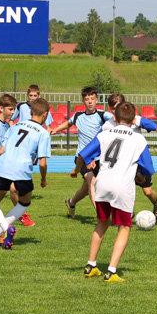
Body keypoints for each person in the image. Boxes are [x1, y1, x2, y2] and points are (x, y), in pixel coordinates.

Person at [71, 101, 155, 282]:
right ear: (134, 120)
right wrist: (141, 176)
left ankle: (90, 266)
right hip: (122, 187)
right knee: (124, 228)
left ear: (114, 118)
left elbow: (84, 153)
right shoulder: (138, 139)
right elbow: (148, 167)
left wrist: (77, 169)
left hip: (101, 183)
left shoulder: (104, 134)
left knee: (102, 222)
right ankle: (111, 271)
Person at [101, 93, 157, 223]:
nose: (116, 111)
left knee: (147, 192)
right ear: (110, 109)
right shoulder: (107, 125)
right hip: (123, 163)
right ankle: (128, 212)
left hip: (140, 162)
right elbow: (98, 141)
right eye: (114, 108)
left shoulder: (135, 120)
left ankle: (156, 204)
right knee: (120, 188)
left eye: (119, 107)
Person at [0, 98, 51, 249]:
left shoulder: (14, 126)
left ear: (31, 111)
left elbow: (1, 150)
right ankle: (0, 232)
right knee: (24, 202)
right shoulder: (43, 133)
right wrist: (43, 179)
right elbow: (42, 162)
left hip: (4, 165)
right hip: (23, 169)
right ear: (45, 114)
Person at [49, 86, 114, 218]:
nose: (90, 101)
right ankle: (101, 215)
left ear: (97, 100)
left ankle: (71, 202)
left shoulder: (103, 115)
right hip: (82, 157)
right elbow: (68, 123)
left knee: (86, 190)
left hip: (99, 158)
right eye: (87, 99)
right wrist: (55, 130)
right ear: (83, 101)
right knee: (92, 181)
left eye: (92, 99)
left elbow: (118, 117)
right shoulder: (78, 115)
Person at [0, 93, 35, 227]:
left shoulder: (7, 125)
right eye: (10, 109)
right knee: (11, 187)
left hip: (2, 163)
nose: (13, 112)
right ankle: (21, 216)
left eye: (14, 109)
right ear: (1, 108)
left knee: (3, 190)